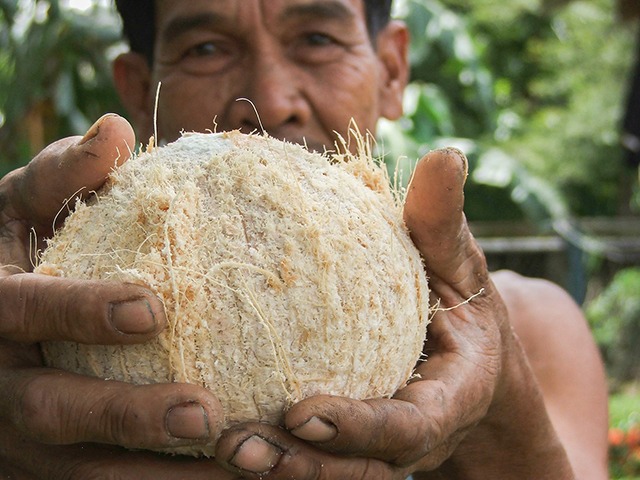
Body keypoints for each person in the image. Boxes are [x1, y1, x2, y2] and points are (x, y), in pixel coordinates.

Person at [0, 1, 609, 478]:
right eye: (205, 47)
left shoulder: (538, 324)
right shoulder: (43, 323)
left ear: (393, 69)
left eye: (317, 39)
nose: (267, 100)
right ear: (137, 87)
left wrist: (500, 412)